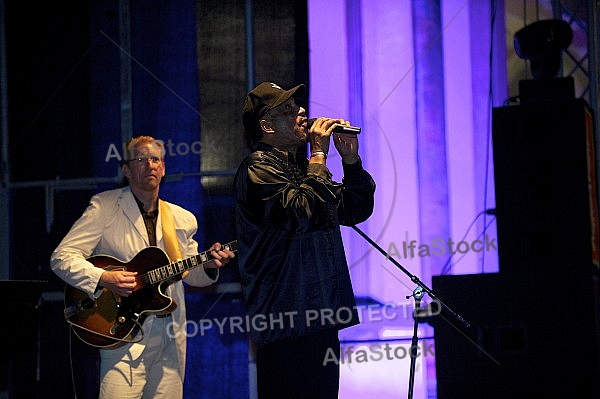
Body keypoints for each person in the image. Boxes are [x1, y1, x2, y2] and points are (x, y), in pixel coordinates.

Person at [51, 135, 235, 398]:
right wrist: (103, 277)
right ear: (126, 170)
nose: (149, 165)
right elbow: (62, 257)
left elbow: (189, 274)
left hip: (170, 337)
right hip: (122, 331)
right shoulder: (104, 206)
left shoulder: (182, 218)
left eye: (155, 159)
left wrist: (210, 265)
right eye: (140, 159)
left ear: (163, 168)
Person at [234, 82, 376, 398]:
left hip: (320, 316)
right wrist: (319, 156)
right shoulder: (258, 167)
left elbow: (355, 210)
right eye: (287, 109)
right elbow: (299, 212)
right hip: (286, 321)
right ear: (266, 125)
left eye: (298, 106)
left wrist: (351, 163)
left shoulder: (301, 169)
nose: (300, 112)